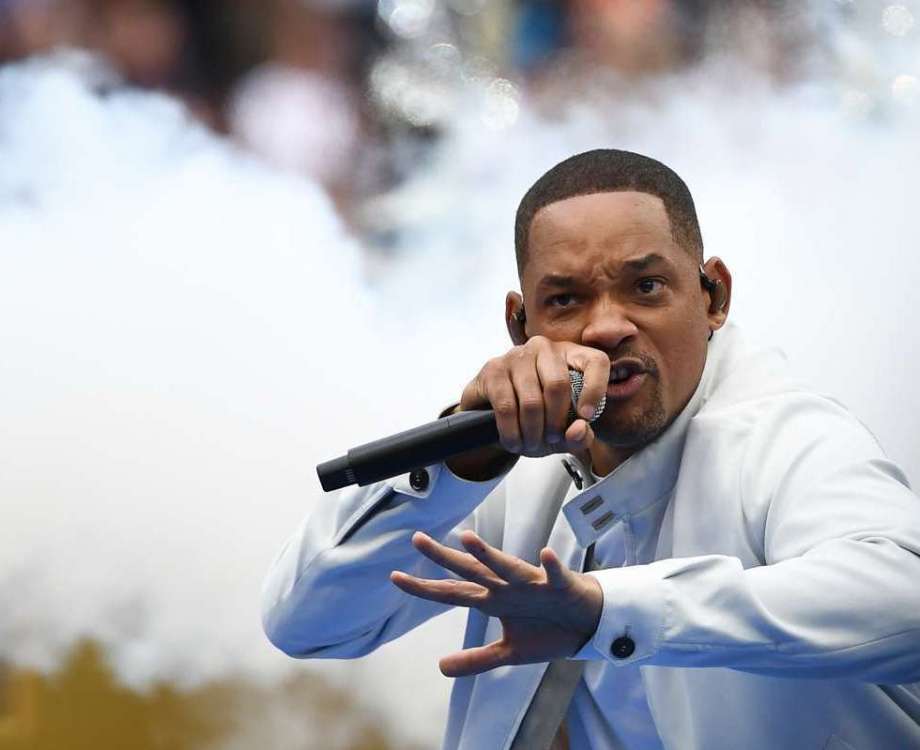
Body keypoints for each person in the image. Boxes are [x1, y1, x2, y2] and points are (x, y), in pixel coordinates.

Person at [261, 149, 920, 750]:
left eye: (646, 287)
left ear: (713, 295)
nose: (606, 327)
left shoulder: (781, 434)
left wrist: (609, 612)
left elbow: (905, 598)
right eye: (567, 298)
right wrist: (462, 466)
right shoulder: (503, 458)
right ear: (522, 324)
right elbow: (306, 621)